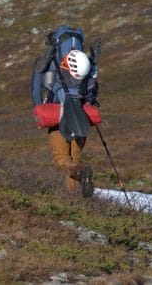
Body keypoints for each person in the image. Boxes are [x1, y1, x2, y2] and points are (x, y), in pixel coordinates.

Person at [31, 26, 100, 197]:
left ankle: (82, 173)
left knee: (62, 160)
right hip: (81, 118)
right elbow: (92, 92)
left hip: (58, 117)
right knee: (74, 159)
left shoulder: (49, 62)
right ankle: (75, 201)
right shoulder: (86, 64)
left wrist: (40, 108)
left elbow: (36, 88)